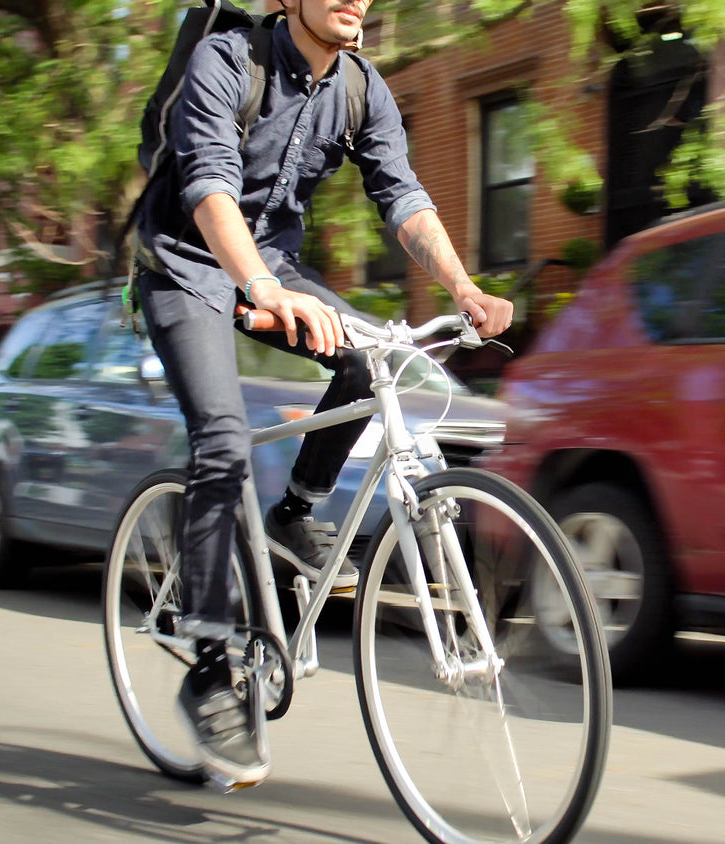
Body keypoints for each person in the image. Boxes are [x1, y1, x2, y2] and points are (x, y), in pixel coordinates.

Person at [132, 0, 513, 786]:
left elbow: (401, 195)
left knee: (372, 357)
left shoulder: (361, 88)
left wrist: (462, 285)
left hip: (276, 269)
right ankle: (209, 661)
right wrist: (264, 286)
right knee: (224, 440)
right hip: (185, 266)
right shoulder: (228, 60)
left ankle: (295, 512)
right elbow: (206, 187)